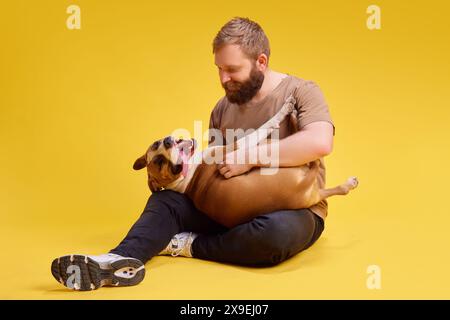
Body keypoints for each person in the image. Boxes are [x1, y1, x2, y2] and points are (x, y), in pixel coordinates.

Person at [51, 17, 335, 290]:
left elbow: (319, 142)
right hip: (228, 210)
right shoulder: (223, 108)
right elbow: (210, 173)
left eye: (232, 69)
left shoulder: (300, 91)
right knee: (166, 201)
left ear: (261, 62)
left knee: (276, 234)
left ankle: (184, 244)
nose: (224, 78)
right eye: (219, 69)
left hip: (292, 209)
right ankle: (118, 261)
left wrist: (249, 157)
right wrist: (175, 177)